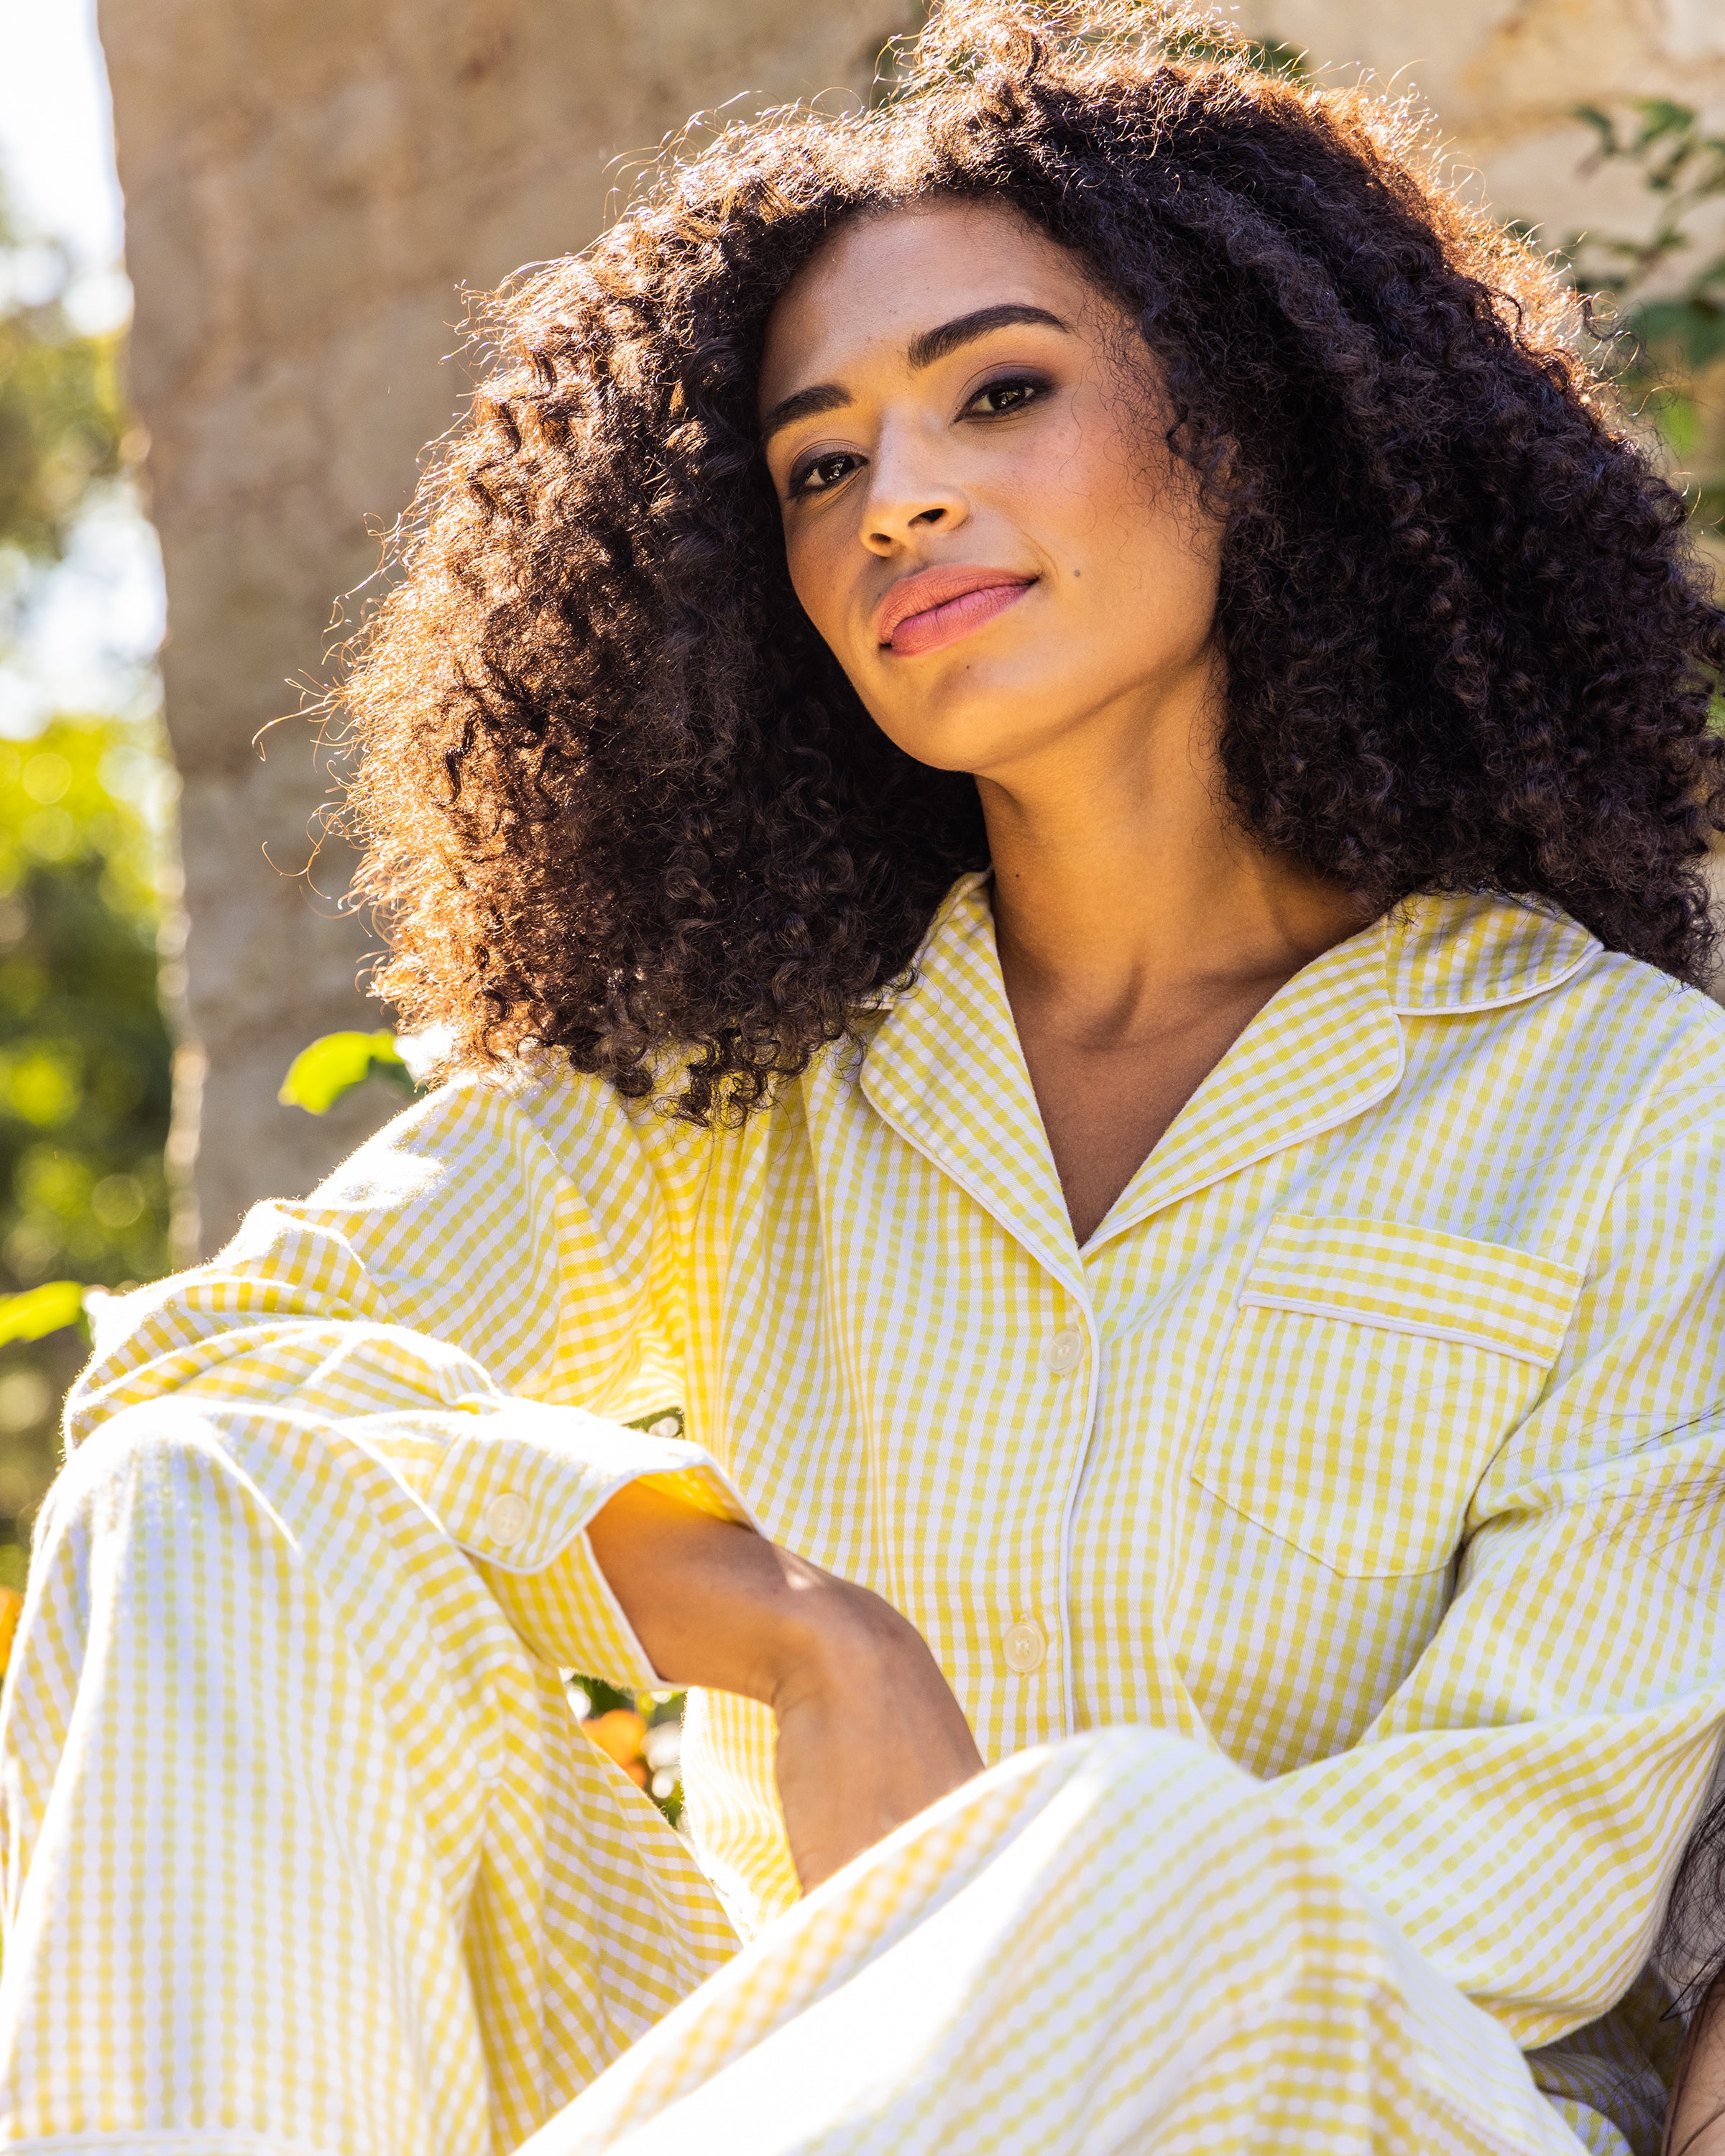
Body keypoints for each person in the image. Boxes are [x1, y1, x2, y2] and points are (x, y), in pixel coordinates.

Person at [5, 4, 1725, 2151]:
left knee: (1150, 1845)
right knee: (211, 1504)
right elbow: (209, 1374)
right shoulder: (758, 1075)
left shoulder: (1647, 1111)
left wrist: (1009, 1914)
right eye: (821, 466)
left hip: (1364, 2083)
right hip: (791, 2081)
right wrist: (797, 1627)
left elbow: (1523, 1870)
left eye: (1000, 394)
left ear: (1259, 427)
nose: (900, 500)